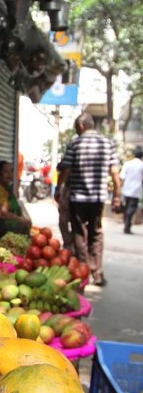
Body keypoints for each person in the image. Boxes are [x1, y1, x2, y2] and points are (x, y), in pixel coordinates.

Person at [54, 113, 120, 287]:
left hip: (78, 197)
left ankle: (83, 271)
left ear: (82, 126)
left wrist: (58, 189)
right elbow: (114, 173)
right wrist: (117, 196)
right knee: (96, 233)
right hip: (98, 198)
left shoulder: (76, 142)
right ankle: (97, 273)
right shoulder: (107, 143)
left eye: (76, 126)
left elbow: (66, 169)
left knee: (79, 232)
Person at [0, 159, 32, 235]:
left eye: (11, 171)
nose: (10, 174)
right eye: (6, 171)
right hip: (2, 228)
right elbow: (3, 213)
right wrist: (21, 220)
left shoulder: (7, 188)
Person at [119, 147, 143, 234]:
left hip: (126, 189)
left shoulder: (127, 164)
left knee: (126, 207)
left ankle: (126, 224)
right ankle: (127, 225)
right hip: (136, 190)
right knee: (131, 208)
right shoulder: (141, 165)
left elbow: (122, 177)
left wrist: (119, 189)